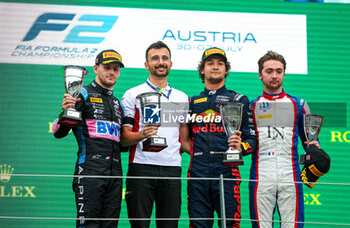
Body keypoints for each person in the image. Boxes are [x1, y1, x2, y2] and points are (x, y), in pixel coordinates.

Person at [185, 47, 257, 228]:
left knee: (230, 225)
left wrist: (241, 147)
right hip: (198, 171)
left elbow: (252, 140)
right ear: (202, 69)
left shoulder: (239, 99)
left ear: (226, 69)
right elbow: (183, 139)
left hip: (227, 170)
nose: (215, 67)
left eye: (220, 64)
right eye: (210, 63)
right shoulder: (192, 102)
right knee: (197, 225)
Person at [52, 49, 125, 228]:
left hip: (115, 174)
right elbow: (59, 132)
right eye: (107, 67)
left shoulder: (117, 103)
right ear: (95, 68)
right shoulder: (82, 94)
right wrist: (66, 110)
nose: (111, 72)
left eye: (116, 68)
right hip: (90, 171)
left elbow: (122, 144)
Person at [121, 41, 189, 228]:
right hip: (141, 167)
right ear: (146, 64)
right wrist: (143, 134)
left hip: (172, 169)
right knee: (139, 225)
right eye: (155, 58)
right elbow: (124, 139)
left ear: (171, 63)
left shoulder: (182, 97)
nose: (160, 62)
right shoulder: (132, 94)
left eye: (165, 58)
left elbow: (184, 142)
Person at [249, 50, 320, 228]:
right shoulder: (251, 106)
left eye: (279, 71)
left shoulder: (299, 105)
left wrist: (315, 150)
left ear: (284, 73)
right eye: (269, 71)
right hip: (261, 173)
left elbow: (309, 143)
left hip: (290, 172)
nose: (274, 75)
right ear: (260, 75)